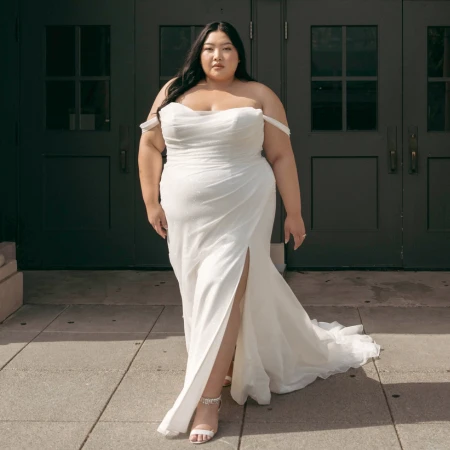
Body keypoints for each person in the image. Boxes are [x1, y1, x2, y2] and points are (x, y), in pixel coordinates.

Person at [138, 21, 380, 444]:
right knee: (199, 294)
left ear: (239, 54)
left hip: (242, 207)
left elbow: (281, 156)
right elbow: (149, 146)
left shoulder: (259, 94)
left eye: (227, 48)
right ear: (198, 53)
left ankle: (207, 401)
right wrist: (151, 202)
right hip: (186, 216)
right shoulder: (173, 91)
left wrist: (295, 212)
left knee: (225, 290)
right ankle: (222, 360)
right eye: (210, 48)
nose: (218, 56)